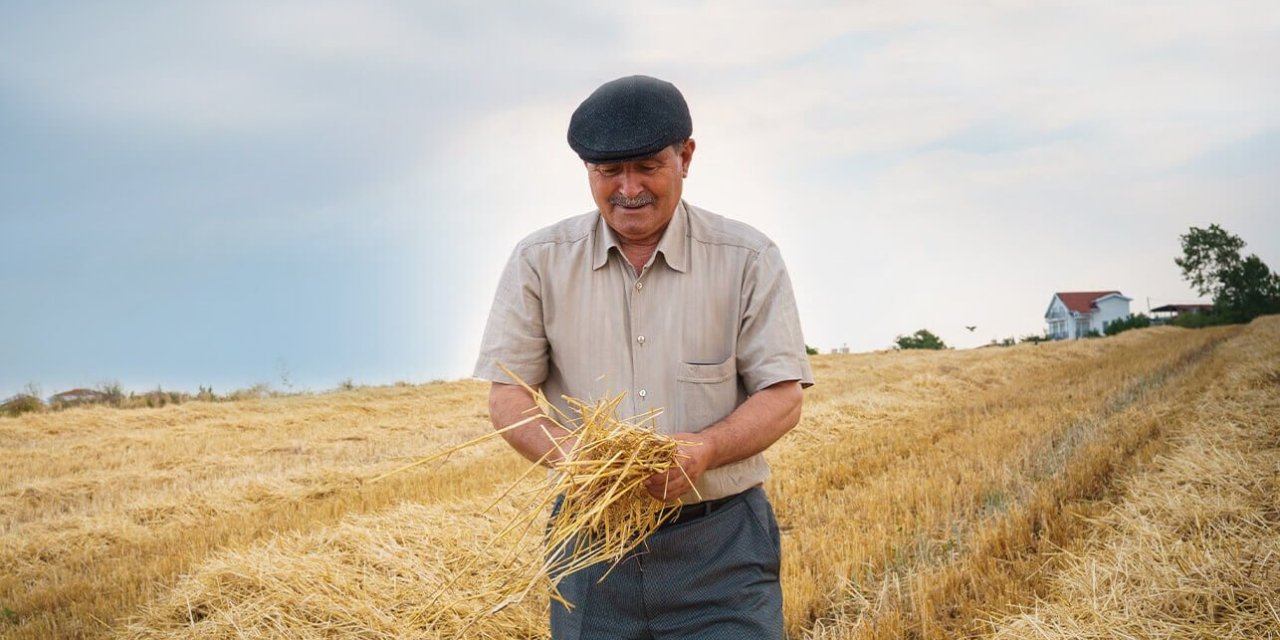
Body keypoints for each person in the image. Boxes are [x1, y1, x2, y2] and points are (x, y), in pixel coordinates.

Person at [474, 74, 813, 640]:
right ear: (588, 171)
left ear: (685, 156)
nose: (629, 188)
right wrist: (578, 460)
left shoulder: (748, 258)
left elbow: (782, 397)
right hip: (590, 546)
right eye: (609, 172)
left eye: (648, 166)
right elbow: (507, 394)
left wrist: (704, 449)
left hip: (720, 546)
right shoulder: (539, 261)